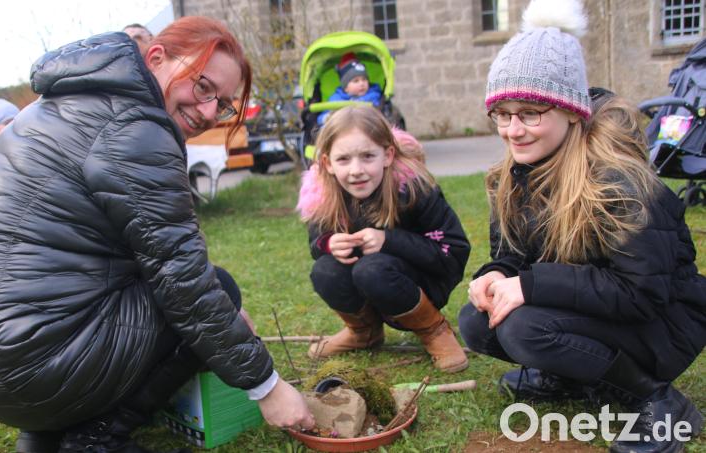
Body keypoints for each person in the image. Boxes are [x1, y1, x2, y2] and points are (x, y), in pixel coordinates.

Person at [0, 16, 314, 453]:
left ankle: (45, 432)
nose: (209, 112)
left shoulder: (66, 100)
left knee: (197, 300)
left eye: (224, 105)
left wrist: (224, 331)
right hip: (26, 364)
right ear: (156, 57)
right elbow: (183, 282)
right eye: (204, 87)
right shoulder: (137, 129)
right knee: (216, 289)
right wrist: (266, 385)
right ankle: (96, 437)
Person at [458, 1, 705, 452]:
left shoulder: (618, 183)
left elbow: (642, 293)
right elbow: (514, 255)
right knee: (478, 322)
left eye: (531, 112)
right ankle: (570, 376)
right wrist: (496, 274)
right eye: (503, 114)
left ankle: (658, 400)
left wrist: (530, 286)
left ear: (571, 111)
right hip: (598, 312)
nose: (514, 130)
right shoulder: (511, 176)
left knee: (523, 328)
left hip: (664, 324)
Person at [298, 104, 471, 373]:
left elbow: (453, 253)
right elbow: (315, 242)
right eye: (343, 160)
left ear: (388, 155)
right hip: (373, 280)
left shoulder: (414, 189)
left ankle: (434, 330)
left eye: (368, 156)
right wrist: (328, 244)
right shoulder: (324, 196)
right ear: (327, 164)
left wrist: (389, 240)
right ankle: (363, 332)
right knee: (325, 270)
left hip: (424, 281)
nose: (356, 170)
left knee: (372, 269)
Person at [316, 53, 383, 126]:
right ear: (346, 88)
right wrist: (327, 118)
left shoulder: (373, 95)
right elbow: (321, 118)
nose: (361, 84)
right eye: (356, 81)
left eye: (364, 80)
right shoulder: (335, 99)